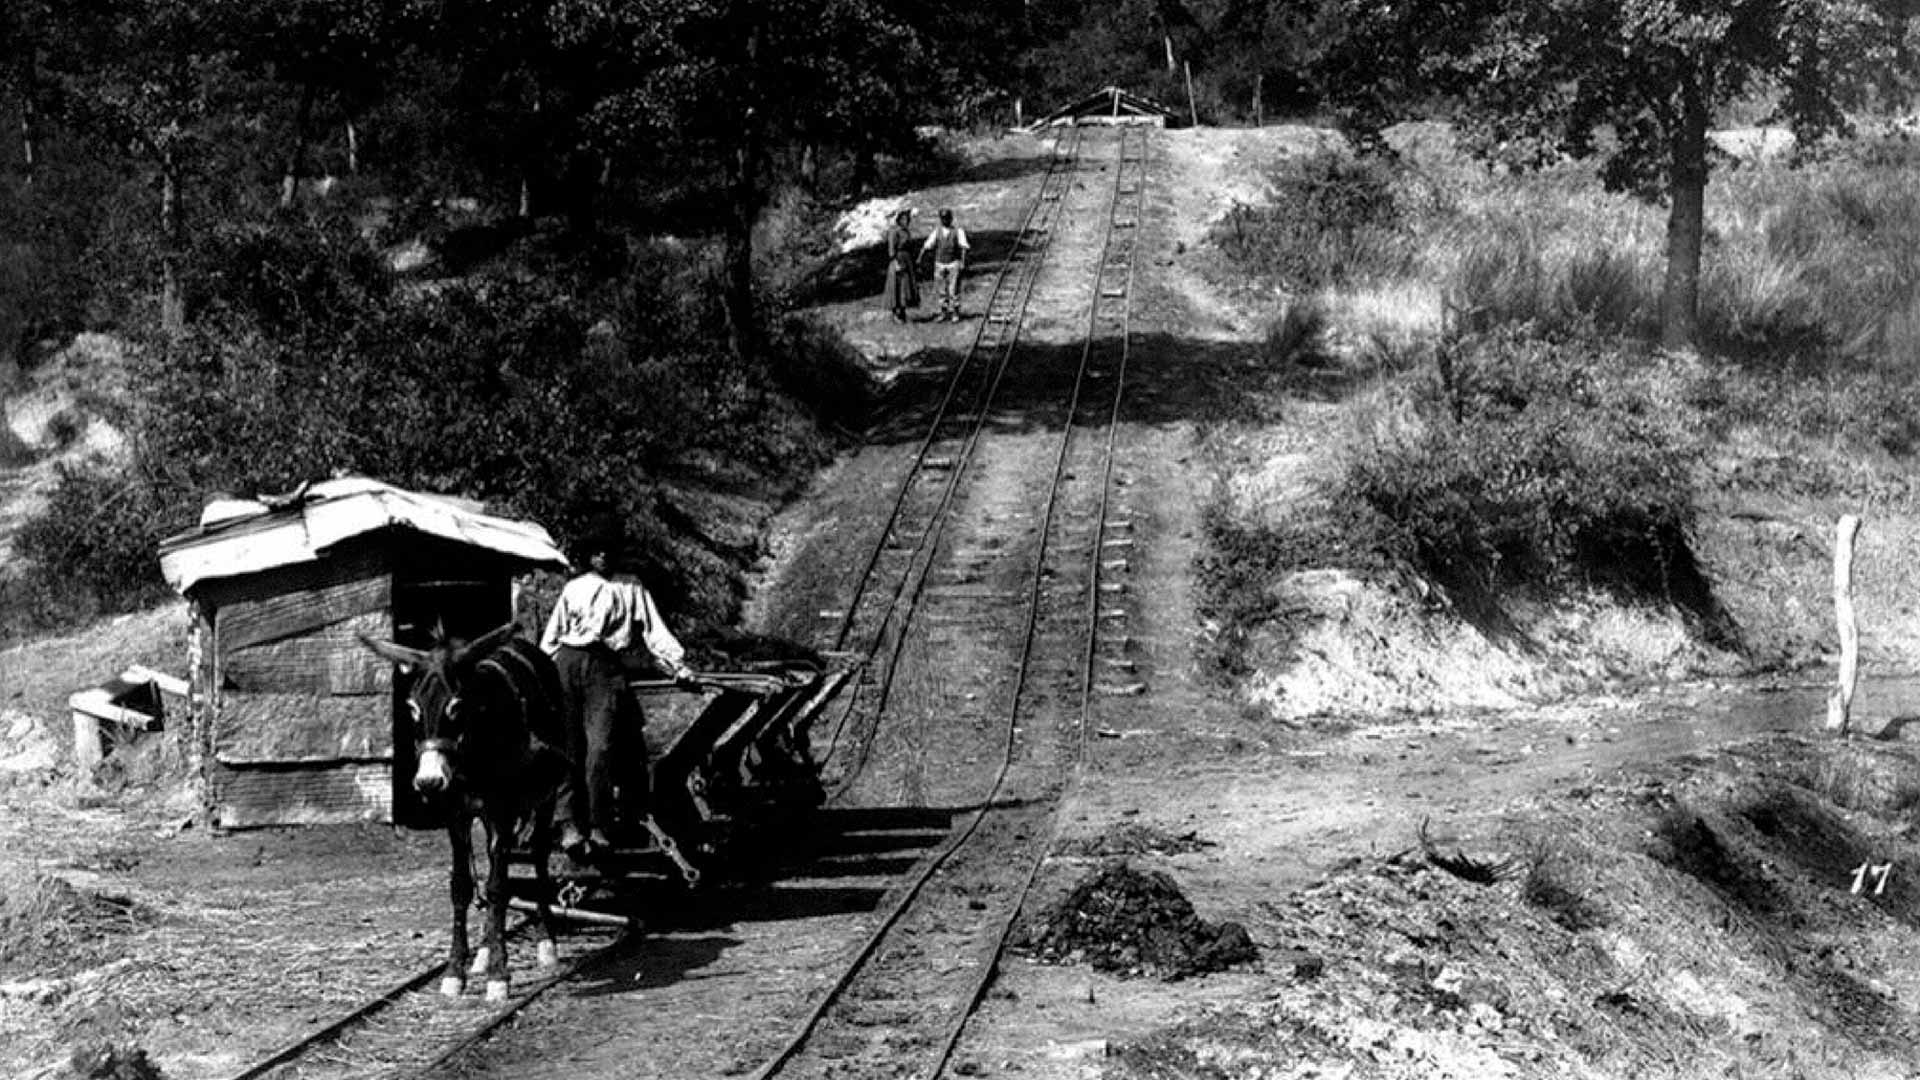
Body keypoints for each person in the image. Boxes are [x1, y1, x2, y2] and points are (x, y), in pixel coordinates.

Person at [540, 535, 697, 857]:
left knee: (600, 747)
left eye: (608, 551)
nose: (602, 557)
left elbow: (654, 630)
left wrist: (677, 665)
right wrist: (544, 673)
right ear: (588, 556)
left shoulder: (631, 586)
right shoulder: (575, 587)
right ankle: (568, 823)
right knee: (567, 746)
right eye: (596, 552)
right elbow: (552, 638)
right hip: (568, 663)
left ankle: (599, 824)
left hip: (606, 667)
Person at [920, 208, 971, 322]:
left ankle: (955, 313)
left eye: (947, 218)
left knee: (954, 290)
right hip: (940, 263)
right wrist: (921, 258)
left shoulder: (958, 231)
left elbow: (964, 247)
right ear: (940, 219)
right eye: (943, 218)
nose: (945, 221)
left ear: (951, 219)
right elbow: (928, 245)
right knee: (941, 290)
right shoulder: (936, 232)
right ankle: (943, 312)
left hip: (953, 263)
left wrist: (963, 262)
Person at [882, 208, 919, 323]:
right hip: (897, 260)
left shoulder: (906, 232)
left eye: (907, 219)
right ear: (898, 220)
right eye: (903, 219)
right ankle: (895, 313)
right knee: (896, 286)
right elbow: (891, 250)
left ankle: (902, 312)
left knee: (905, 286)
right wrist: (895, 263)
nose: (906, 221)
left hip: (906, 260)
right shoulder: (894, 232)